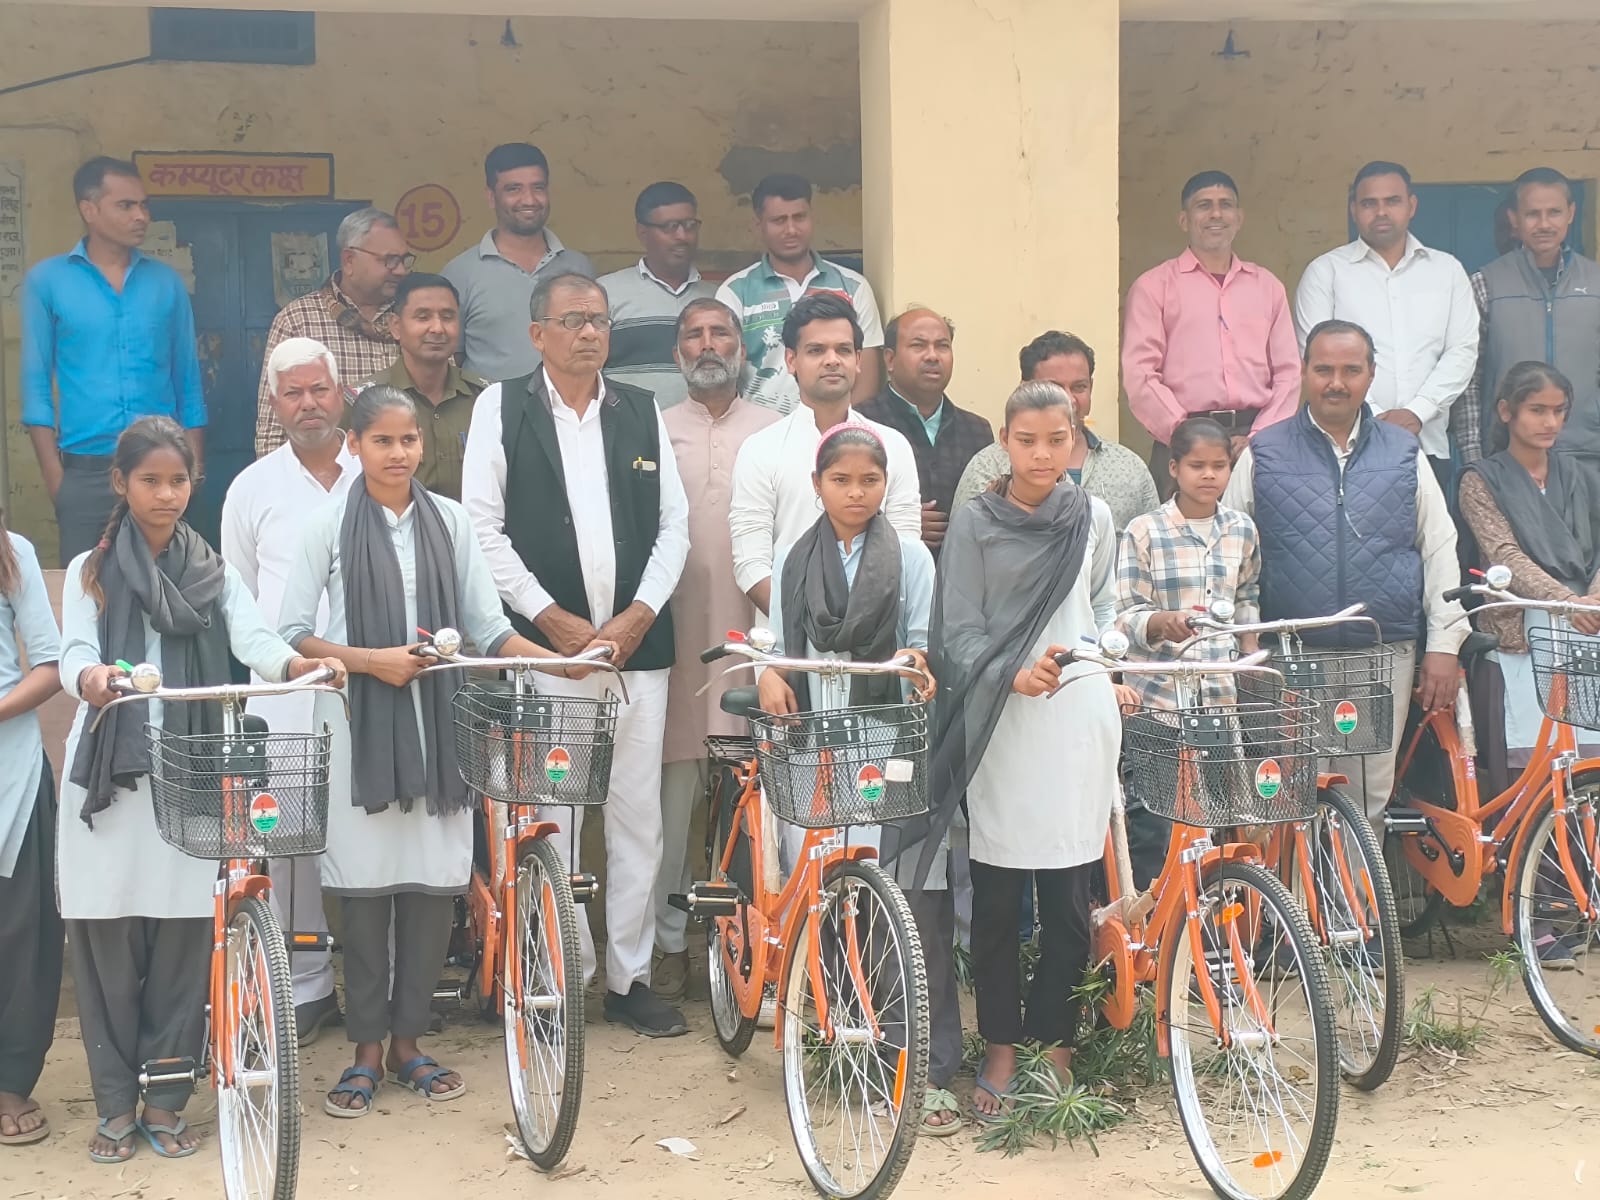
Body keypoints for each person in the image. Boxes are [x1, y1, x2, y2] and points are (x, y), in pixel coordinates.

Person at [277, 385, 597, 1116]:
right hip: (358, 727)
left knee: (429, 892)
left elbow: (488, 626)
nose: (398, 453)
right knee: (362, 895)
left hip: (439, 726)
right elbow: (293, 633)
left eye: (409, 440)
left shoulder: (450, 522)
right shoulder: (325, 526)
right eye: (382, 440)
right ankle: (364, 1050)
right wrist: (372, 661)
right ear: (354, 446)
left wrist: (557, 661)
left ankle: (408, 1045)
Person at [57, 417, 342, 1163]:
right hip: (111, 781)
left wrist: (298, 667)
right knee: (106, 946)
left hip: (192, 772)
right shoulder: (90, 570)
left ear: (193, 484)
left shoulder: (213, 572)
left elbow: (255, 640)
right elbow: (75, 651)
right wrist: (93, 677)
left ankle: (165, 1102)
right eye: (150, 480)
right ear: (120, 483)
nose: (166, 494)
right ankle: (114, 1109)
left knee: (187, 943)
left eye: (178, 480)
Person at [462, 272, 691, 1037]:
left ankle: (629, 980)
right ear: (537, 334)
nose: (589, 332)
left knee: (637, 819)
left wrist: (636, 617)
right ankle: (558, 975)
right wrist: (550, 619)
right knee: (550, 819)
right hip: (546, 655)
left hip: (635, 655)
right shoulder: (502, 407)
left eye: (598, 320)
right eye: (572, 320)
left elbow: (674, 528)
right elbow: (482, 530)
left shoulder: (640, 409)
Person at [755, 423, 960, 1135]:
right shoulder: (792, 557)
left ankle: (917, 1064)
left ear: (885, 485)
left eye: (868, 481)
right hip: (814, 741)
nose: (855, 493)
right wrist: (771, 672)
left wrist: (914, 661)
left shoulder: (911, 558)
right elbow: (778, 644)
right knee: (826, 890)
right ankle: (845, 1043)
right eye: (840, 481)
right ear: (817, 486)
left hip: (887, 741)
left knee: (901, 894)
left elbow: (924, 640)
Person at [925, 380, 1121, 1117]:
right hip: (1002, 724)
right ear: (1003, 442)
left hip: (1078, 716)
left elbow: (1102, 605)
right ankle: (1002, 1049)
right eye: (1027, 440)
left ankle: (1057, 1049)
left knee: (1070, 896)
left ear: (1077, 438)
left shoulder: (1093, 515)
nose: (1042, 454)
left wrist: (1104, 660)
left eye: (1056, 440)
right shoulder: (975, 523)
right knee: (1000, 898)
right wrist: (1012, 671)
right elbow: (957, 631)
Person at [1223, 320, 1468, 819]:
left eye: (1351, 370)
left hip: (1381, 651)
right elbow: (1229, 559)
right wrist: (1244, 643)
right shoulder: (1264, 453)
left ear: (1371, 374)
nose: (1336, 383)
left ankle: (1358, 876)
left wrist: (1444, 644)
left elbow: (1440, 547)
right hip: (1288, 654)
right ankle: (1297, 877)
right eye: (1324, 370)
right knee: (1290, 795)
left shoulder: (1404, 453)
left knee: (1366, 798)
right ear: (1304, 372)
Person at [221, 337, 361, 1043]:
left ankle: (380, 986)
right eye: (293, 394)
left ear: (341, 394)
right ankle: (304, 987)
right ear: (274, 405)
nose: (309, 405)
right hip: (284, 695)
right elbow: (239, 601)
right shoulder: (251, 487)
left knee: (372, 829)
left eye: (319, 390)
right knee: (288, 841)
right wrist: (280, 666)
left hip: (370, 684)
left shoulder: (376, 469)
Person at [654, 298, 777, 1000]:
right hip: (673, 642)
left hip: (751, 639)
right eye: (694, 335)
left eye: (720, 333)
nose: (707, 344)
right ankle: (669, 945)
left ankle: (740, 948)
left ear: (742, 348)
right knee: (670, 808)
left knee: (748, 804)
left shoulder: (774, 432)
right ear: (677, 354)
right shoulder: (654, 429)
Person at [1457, 364, 1600, 895]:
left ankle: (1586, 894)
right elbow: (1504, 555)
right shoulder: (1480, 479)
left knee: (1588, 765)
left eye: (1558, 411)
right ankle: (1536, 903)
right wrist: (1567, 602)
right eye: (1537, 410)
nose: (1550, 422)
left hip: (1587, 630)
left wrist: (1591, 600)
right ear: (1506, 411)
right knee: (1531, 768)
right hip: (1521, 634)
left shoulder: (1580, 473)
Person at [21, 157, 206, 565]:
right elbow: (36, 391)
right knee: (89, 592)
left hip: (161, 469)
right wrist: (58, 484)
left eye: (144, 205)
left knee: (165, 589)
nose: (141, 216)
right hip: (86, 475)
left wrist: (190, 475)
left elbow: (188, 385)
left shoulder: (166, 284)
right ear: (89, 209)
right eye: (126, 205)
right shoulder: (47, 282)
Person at [1116, 417, 1261, 886]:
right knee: (1156, 823)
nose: (1209, 475)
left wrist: (1249, 649)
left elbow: (1247, 594)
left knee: (1219, 817)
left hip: (1219, 697)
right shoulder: (1144, 531)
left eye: (1219, 466)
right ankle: (1153, 918)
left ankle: (1212, 917)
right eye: (1197, 465)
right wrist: (1162, 622)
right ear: (1174, 468)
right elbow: (1125, 613)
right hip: (1158, 700)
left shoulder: (1241, 529)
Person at [729, 293, 920, 616]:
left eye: (843, 350)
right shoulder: (760, 449)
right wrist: (808, 625)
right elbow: (751, 564)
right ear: (791, 360)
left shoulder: (893, 446)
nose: (832, 360)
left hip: (878, 634)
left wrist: (860, 626)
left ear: (858, 360)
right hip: (787, 637)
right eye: (816, 350)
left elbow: (906, 552)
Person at [1294, 161, 1478, 487]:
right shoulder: (1326, 272)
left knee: (1427, 523)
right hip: (1344, 445)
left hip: (1426, 442)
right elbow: (1316, 357)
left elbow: (1462, 350)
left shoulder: (1446, 270)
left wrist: (1418, 411)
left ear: (1412, 206)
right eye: (1369, 203)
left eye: (1392, 201)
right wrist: (1374, 416)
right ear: (1353, 209)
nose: (1381, 212)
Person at [1122, 171, 1300, 497]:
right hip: (1182, 443)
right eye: (1204, 205)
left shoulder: (1267, 287)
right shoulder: (1154, 287)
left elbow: (1289, 373)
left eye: (1225, 205)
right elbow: (1140, 375)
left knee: (1263, 529)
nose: (1216, 214)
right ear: (1184, 220)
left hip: (1255, 444)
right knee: (1178, 530)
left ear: (1239, 218)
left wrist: (1260, 437)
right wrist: (1186, 434)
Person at [1458, 168, 1600, 466]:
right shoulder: (1486, 283)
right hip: (1508, 457)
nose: (1544, 224)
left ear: (1571, 213)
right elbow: (1469, 380)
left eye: (1554, 212)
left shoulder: (1596, 283)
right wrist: (1474, 460)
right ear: (1514, 219)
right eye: (1533, 214)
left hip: (1587, 455)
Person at [953, 331, 1159, 532]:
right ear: (1026, 389)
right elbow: (963, 543)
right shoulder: (988, 467)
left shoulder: (1130, 468)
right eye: (1054, 387)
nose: (1068, 399)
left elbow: (1154, 544)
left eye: (1079, 387)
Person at [716, 173, 884, 413]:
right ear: (758, 226)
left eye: (799, 217)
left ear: (811, 218)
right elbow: (723, 377)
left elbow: (867, 379)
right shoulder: (735, 292)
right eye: (779, 220)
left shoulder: (853, 286)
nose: (791, 229)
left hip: (836, 431)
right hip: (761, 431)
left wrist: (835, 427)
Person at [0, 516, 63, 1148]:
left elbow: (50, 665)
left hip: (10, 773)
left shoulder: (11, 550)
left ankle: (10, 1083)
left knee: (21, 936)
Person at [254, 207, 409, 457]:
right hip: (328, 475)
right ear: (349, 260)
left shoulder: (415, 317)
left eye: (403, 260)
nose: (400, 270)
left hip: (403, 470)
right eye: (390, 260)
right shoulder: (299, 321)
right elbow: (273, 429)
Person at [444, 143, 595, 383]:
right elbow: (453, 356)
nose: (529, 200)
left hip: (569, 405)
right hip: (492, 406)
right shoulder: (460, 273)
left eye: (538, 188)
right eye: (514, 189)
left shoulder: (579, 268)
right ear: (491, 197)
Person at [856, 308, 993, 558]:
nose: (932, 356)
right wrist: (899, 522)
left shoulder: (977, 430)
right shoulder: (862, 424)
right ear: (890, 359)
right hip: (886, 569)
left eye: (942, 346)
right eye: (918, 346)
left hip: (962, 572)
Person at [353, 273, 485, 501]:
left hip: (469, 524)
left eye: (448, 317)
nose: (437, 328)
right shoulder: (364, 402)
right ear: (396, 326)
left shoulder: (484, 399)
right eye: (423, 317)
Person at [599, 182, 717, 412]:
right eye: (670, 227)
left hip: (703, 429)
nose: (682, 236)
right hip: (627, 428)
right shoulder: (605, 294)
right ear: (642, 233)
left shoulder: (718, 298)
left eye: (690, 225)